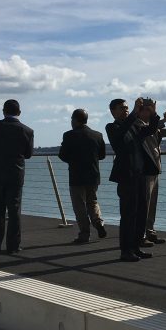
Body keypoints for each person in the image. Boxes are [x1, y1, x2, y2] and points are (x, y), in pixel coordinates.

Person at [106, 97, 159, 262]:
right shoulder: (112, 127)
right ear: (113, 111)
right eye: (122, 108)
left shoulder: (135, 124)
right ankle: (125, 250)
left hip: (140, 174)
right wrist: (135, 113)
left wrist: (153, 112)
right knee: (128, 214)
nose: (126, 110)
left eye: (127, 107)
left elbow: (150, 130)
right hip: (126, 175)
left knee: (141, 213)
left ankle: (136, 247)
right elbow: (120, 138)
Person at [0, 99, 34, 255]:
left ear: (3, 111)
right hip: (15, 174)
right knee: (14, 211)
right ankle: (13, 246)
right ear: (19, 113)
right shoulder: (27, 130)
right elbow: (28, 154)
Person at [58, 108, 107, 244]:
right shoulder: (97, 135)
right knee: (93, 201)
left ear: (75, 120)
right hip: (93, 175)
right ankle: (98, 222)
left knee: (79, 205)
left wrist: (73, 161)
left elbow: (62, 155)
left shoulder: (69, 135)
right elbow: (102, 155)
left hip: (76, 176)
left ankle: (84, 234)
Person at [143, 107, 166, 245]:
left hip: (155, 168)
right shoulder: (140, 125)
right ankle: (142, 234)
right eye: (149, 109)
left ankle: (150, 231)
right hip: (146, 169)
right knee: (145, 203)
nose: (152, 113)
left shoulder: (154, 127)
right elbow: (152, 127)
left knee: (152, 203)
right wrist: (164, 119)